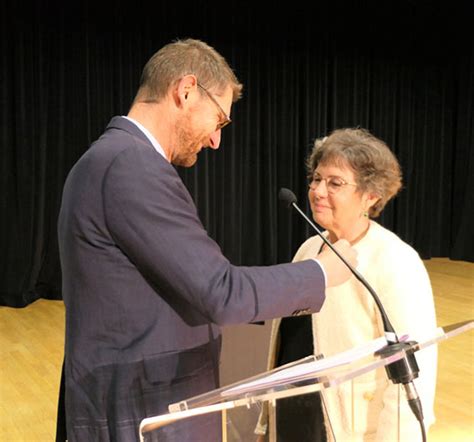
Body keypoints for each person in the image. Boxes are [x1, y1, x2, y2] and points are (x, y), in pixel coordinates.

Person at [56, 38, 358, 442]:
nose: (216, 140)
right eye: (218, 120)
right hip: (144, 411)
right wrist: (323, 272)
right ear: (185, 91)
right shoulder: (130, 166)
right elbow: (221, 292)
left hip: (133, 398)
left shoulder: (108, 159)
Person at [255, 128, 438, 441]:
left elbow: (413, 375)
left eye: (334, 183)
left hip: (344, 429)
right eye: (316, 178)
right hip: (293, 417)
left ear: (370, 196)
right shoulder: (309, 249)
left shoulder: (396, 262)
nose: (317, 191)